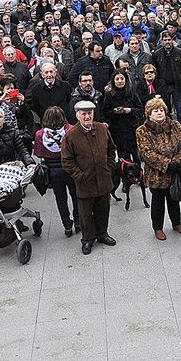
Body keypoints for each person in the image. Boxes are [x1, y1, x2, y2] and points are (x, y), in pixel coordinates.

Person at [61, 100, 117, 255]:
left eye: (89, 113)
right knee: (85, 214)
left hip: (104, 180)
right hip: (85, 183)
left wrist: (110, 167)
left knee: (103, 209)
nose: (87, 116)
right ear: (77, 115)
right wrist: (80, 176)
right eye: (84, 114)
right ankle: (87, 240)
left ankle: (102, 234)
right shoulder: (70, 135)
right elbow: (67, 161)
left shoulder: (101, 129)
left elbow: (112, 149)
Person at [135, 96, 181, 241]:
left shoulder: (175, 125)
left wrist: (176, 162)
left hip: (175, 171)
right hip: (156, 175)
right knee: (158, 202)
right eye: (155, 111)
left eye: (161, 110)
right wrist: (166, 163)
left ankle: (176, 223)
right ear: (149, 114)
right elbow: (146, 153)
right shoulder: (142, 131)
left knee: (174, 199)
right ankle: (157, 228)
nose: (159, 113)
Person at [34, 106, 78, 237]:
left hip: (53, 171)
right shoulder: (71, 130)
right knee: (76, 196)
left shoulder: (40, 135)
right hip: (70, 168)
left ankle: (67, 225)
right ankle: (78, 221)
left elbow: (38, 153)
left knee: (61, 199)